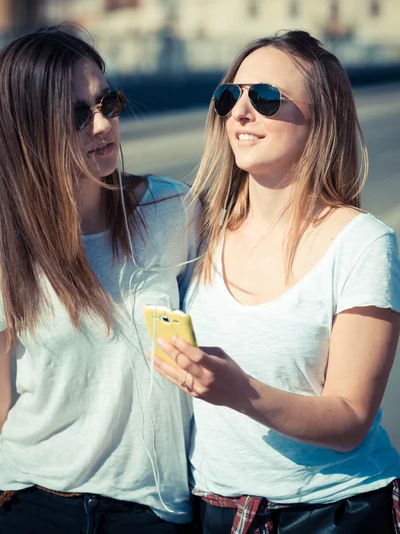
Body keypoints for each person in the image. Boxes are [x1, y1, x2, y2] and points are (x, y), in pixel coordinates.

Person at [150, 30, 400, 533]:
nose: (241, 113)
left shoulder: (363, 243)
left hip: (331, 513)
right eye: (229, 96)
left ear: (320, 118)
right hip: (213, 512)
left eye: (264, 98)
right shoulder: (196, 229)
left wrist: (241, 391)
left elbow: (351, 419)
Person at [0, 26, 198, 533]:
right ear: (27, 128)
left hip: (149, 510)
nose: (104, 124)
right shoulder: (8, 243)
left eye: (108, 102)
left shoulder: (172, 210)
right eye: (77, 115)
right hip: (30, 500)